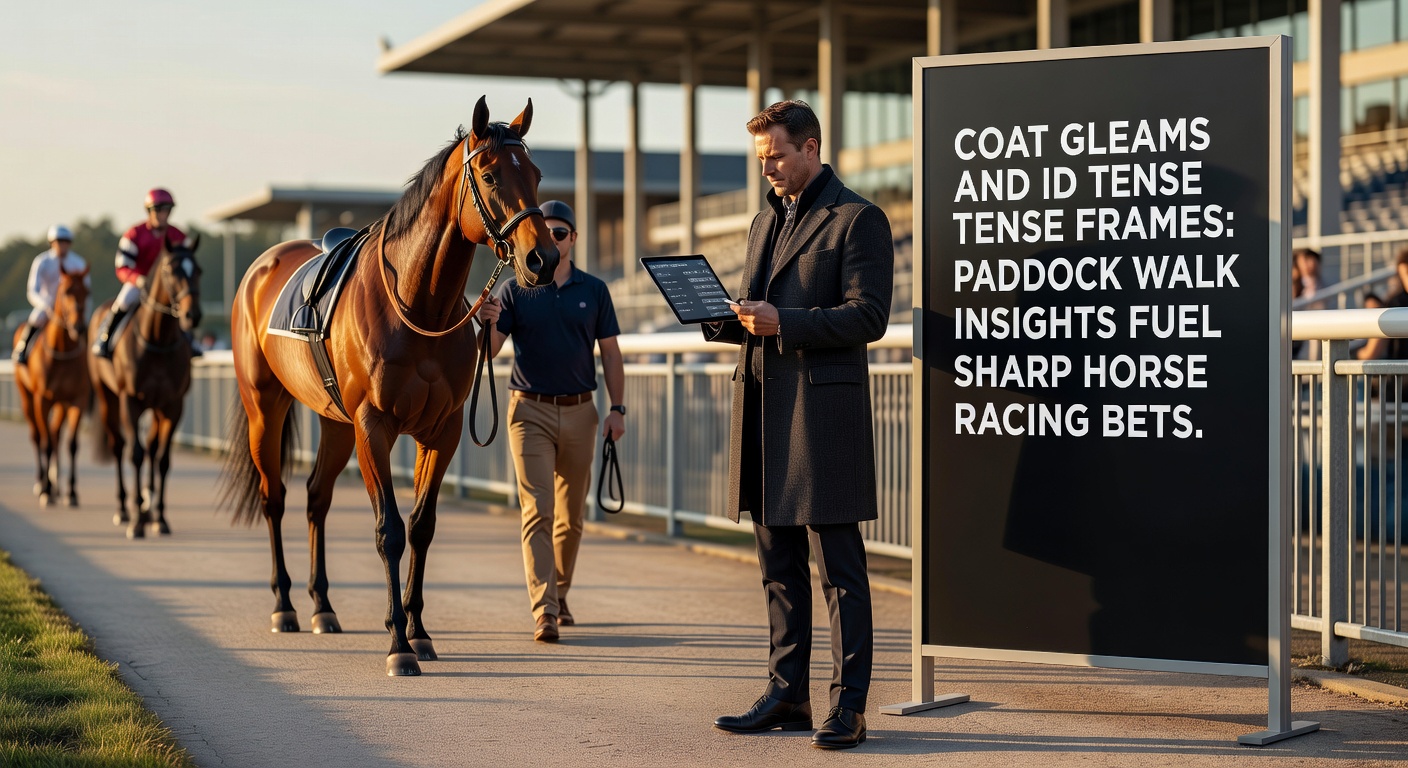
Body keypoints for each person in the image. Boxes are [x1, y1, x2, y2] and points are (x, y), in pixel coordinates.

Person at [703, 100, 893, 750]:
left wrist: (785, 323)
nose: (769, 170)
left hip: (822, 418)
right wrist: (714, 313)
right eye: (761, 160)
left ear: (810, 147)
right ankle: (788, 694)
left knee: (839, 569)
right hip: (762, 412)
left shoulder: (858, 219)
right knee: (777, 564)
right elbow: (756, 310)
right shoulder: (764, 220)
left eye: (776, 156)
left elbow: (869, 316)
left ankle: (850, 707)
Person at [476, 199, 626, 644]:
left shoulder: (595, 290)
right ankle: (544, 611)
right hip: (529, 412)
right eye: (548, 232)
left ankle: (558, 595)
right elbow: (489, 351)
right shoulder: (514, 289)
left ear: (574, 239)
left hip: (582, 411)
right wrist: (483, 324)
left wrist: (617, 410)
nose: (553, 239)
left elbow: (612, 354)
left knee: (571, 518)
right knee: (536, 511)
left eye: (561, 233)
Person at [92, 188, 200, 358]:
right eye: (157, 210)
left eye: (165, 210)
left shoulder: (177, 234)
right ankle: (104, 338)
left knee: (184, 304)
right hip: (139, 283)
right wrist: (138, 280)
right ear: (149, 211)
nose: (161, 214)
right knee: (124, 301)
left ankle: (192, 343)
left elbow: (186, 263)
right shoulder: (134, 234)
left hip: (167, 286)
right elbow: (122, 267)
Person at [14, 225, 89, 364]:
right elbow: (32, 290)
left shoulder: (78, 262)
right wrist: (46, 304)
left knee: (84, 325)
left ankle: (91, 358)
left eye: (65, 242)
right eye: (59, 241)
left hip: (71, 307)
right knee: (36, 318)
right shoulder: (42, 261)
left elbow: (86, 289)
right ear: (52, 243)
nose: (62, 245)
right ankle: (22, 349)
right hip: (47, 305)